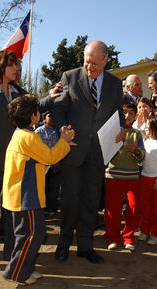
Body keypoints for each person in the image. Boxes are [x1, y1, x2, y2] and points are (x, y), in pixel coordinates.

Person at [0, 51, 56, 267]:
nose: (17, 68)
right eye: (13, 65)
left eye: (18, 64)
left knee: (11, 211)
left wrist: (51, 96)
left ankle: (11, 256)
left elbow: (33, 107)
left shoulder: (17, 91)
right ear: (0, 66)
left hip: (14, 163)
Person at [52, 40, 125, 264]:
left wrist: (121, 129)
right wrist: (63, 129)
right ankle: (64, 243)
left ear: (106, 61)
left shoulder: (114, 84)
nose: (89, 67)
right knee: (70, 200)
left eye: (94, 63)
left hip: (99, 152)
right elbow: (58, 109)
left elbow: (118, 114)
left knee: (91, 201)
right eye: (86, 62)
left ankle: (85, 246)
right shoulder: (70, 77)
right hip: (73, 151)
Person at [2, 95, 75, 285]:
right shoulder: (28, 137)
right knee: (32, 236)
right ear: (33, 115)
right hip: (26, 196)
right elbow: (50, 157)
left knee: (30, 235)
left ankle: (25, 269)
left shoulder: (21, 134)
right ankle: (17, 272)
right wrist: (64, 141)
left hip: (23, 196)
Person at [104, 103, 144, 251]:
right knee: (112, 209)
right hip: (113, 175)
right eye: (124, 113)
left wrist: (136, 151)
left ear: (135, 116)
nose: (127, 116)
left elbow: (142, 156)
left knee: (133, 209)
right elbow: (104, 151)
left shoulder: (137, 133)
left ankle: (128, 237)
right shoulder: (112, 132)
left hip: (132, 177)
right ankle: (112, 237)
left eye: (131, 113)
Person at [35, 111, 61, 214]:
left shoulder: (59, 131)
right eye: (49, 115)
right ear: (44, 118)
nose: (52, 117)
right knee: (43, 188)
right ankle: (44, 209)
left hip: (56, 166)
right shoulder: (38, 131)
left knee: (54, 188)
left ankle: (53, 208)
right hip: (43, 165)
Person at [139, 117, 157, 245]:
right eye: (145, 127)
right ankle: (144, 231)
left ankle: (154, 233)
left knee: (155, 209)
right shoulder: (144, 141)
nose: (146, 129)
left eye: (149, 127)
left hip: (155, 179)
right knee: (145, 206)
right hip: (144, 177)